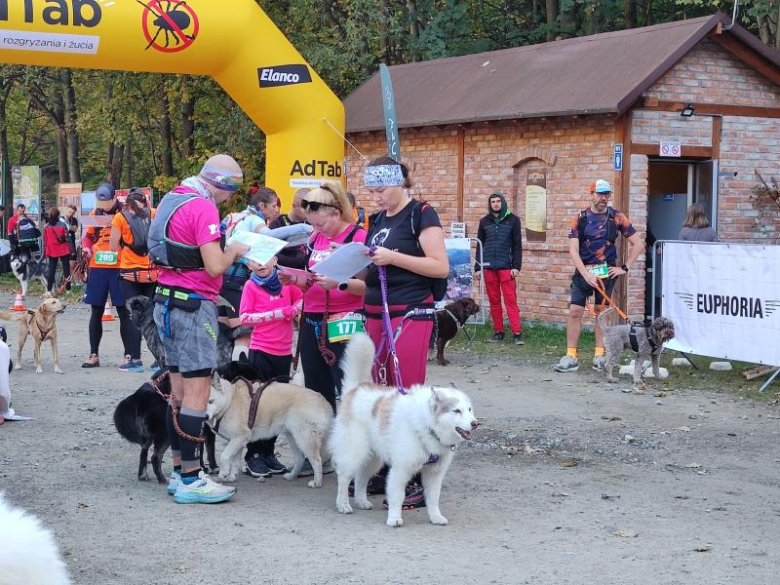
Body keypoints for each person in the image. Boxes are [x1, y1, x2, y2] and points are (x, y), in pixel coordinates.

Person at [149, 154, 249, 504]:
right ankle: (192, 479)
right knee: (197, 392)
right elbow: (214, 265)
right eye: (234, 187)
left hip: (164, 301)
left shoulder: (174, 197)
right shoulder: (204, 207)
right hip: (192, 306)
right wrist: (234, 248)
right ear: (224, 184)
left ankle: (180, 472)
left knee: (177, 391)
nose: (232, 196)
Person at [363, 155, 449, 509]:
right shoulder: (378, 219)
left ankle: (414, 475)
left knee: (408, 391)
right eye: (371, 190)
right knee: (382, 394)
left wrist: (393, 257)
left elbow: (440, 266)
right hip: (375, 311)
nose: (376, 196)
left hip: (410, 312)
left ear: (399, 182)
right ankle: (389, 465)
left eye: (381, 189)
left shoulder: (421, 213)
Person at [283, 182, 367, 415]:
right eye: (313, 225)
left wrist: (339, 282)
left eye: (321, 223)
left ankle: (352, 441)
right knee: (316, 388)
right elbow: (314, 279)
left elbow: (367, 287)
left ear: (337, 213)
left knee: (348, 385)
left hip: (345, 317)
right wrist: (297, 280)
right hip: (312, 317)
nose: (318, 229)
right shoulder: (315, 238)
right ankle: (325, 443)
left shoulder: (358, 236)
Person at [553, 179, 642, 373]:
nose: (603, 198)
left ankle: (599, 356)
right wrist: (585, 274)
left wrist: (624, 268)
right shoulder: (580, 217)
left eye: (607, 194)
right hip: (583, 273)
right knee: (575, 311)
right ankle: (571, 356)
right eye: (600, 194)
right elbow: (573, 250)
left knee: (601, 315)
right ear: (592, 194)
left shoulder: (617, 217)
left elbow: (638, 244)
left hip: (605, 274)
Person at [238, 258, 303, 477]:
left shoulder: (287, 281)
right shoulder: (250, 286)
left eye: (265, 259)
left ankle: (268, 453)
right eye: (254, 261)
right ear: (248, 266)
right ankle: (253, 455)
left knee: (277, 407)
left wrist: (293, 310)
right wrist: (276, 314)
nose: (260, 264)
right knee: (259, 406)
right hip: (261, 352)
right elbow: (245, 317)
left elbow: (302, 302)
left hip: (284, 353)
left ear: (275, 260)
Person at [219, 186, 281, 359]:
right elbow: (272, 236)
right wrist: (301, 230)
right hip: (238, 281)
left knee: (222, 332)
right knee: (243, 335)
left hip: (223, 279)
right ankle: (240, 379)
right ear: (261, 205)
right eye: (274, 205)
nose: (276, 210)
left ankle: (222, 376)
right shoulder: (253, 220)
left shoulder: (234, 216)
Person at [81, 183, 134, 369]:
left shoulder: (126, 213)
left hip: (120, 267)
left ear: (114, 199)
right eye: (100, 202)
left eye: (106, 202)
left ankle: (129, 355)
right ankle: (93, 354)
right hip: (98, 267)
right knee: (96, 311)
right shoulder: (94, 214)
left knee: (123, 312)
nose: (103, 205)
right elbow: (87, 237)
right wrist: (86, 247)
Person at [110, 189, 157, 372]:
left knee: (133, 317)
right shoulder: (153, 213)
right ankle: (157, 360)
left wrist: (123, 246)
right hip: (152, 273)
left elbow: (113, 246)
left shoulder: (120, 218)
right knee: (153, 315)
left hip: (130, 272)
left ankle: (135, 360)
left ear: (128, 203)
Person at [475, 191, 524, 345]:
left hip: (506, 267)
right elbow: (479, 245)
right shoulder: (484, 222)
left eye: (498, 201)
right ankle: (499, 332)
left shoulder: (513, 220)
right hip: (489, 267)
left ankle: (516, 333)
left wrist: (517, 266)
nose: (495, 204)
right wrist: (478, 266)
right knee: (494, 301)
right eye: (493, 202)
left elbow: (517, 245)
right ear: (490, 204)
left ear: (502, 203)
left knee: (511, 301)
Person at [42, 208, 72, 294]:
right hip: (63, 249)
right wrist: (72, 250)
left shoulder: (46, 226)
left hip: (52, 250)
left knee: (51, 270)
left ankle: (49, 290)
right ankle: (68, 289)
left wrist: (45, 251)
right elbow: (67, 239)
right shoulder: (62, 225)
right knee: (66, 270)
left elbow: (45, 241)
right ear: (58, 216)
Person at [62, 205, 80, 278]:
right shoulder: (60, 219)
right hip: (62, 244)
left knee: (73, 264)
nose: (70, 214)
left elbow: (74, 229)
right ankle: (68, 280)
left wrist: (67, 223)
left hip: (71, 244)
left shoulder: (74, 220)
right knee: (65, 264)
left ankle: (77, 281)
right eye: (69, 212)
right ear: (66, 210)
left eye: (72, 213)